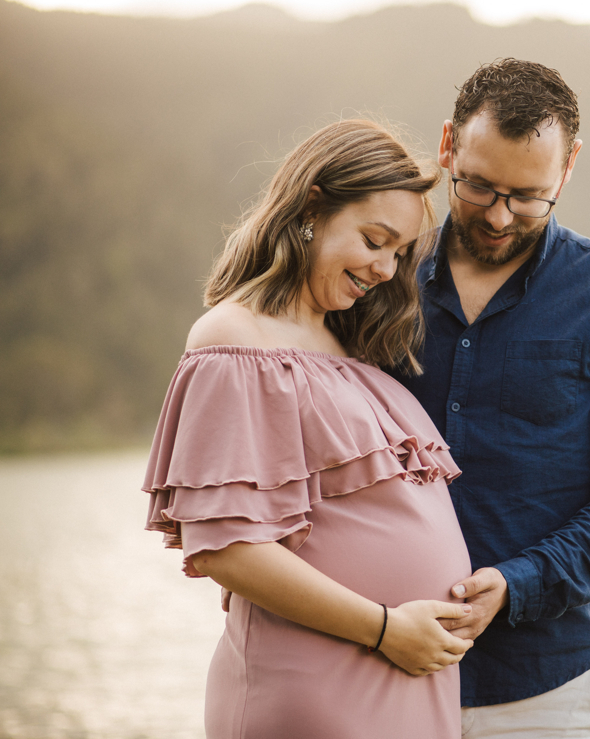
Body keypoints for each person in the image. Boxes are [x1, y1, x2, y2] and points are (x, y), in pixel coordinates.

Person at [142, 119, 476, 739]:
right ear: (312, 207)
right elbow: (225, 548)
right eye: (375, 240)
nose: (385, 268)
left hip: (397, 680)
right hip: (322, 678)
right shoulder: (233, 342)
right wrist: (385, 628)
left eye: (400, 252)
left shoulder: (342, 345)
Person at [390, 59, 590, 737]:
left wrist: (521, 583)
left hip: (545, 689)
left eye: (527, 196)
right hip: (379, 674)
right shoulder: (379, 284)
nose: (498, 216)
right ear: (447, 145)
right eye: (479, 187)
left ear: (569, 164)